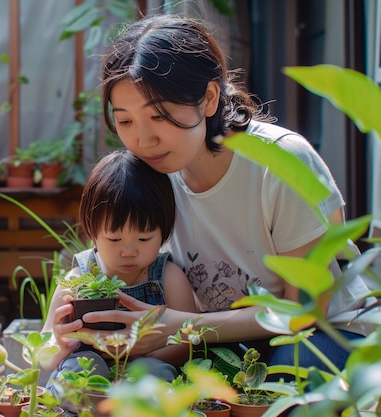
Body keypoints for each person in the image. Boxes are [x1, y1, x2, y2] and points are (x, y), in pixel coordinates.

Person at [48, 14, 372, 371]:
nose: (142, 139)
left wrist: (182, 327)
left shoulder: (279, 163)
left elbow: (304, 312)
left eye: (159, 116)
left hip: (325, 335)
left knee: (294, 376)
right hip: (223, 340)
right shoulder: (154, 170)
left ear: (209, 98)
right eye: (125, 121)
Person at [42, 149, 197, 387]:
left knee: (152, 372)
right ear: (92, 232)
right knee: (78, 368)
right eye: (114, 239)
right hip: (88, 378)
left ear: (164, 231)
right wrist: (60, 343)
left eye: (144, 239)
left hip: (144, 374)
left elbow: (186, 345)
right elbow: (44, 354)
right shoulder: (78, 280)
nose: (129, 251)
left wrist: (136, 357)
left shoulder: (168, 277)